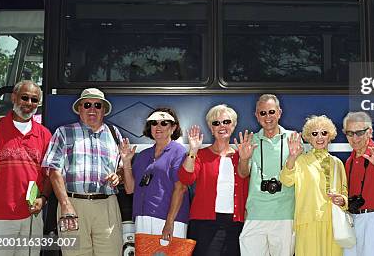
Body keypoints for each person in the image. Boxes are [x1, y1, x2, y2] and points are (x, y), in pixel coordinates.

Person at [42, 88, 123, 255]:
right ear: (79, 108)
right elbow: (53, 170)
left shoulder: (115, 134)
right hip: (73, 205)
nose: (92, 109)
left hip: (107, 206)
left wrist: (118, 176)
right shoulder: (63, 132)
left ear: (104, 110)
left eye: (97, 105)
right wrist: (65, 205)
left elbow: (122, 168)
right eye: (87, 105)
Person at [0, 80, 52, 256]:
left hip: (31, 218)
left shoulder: (45, 134)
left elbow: (49, 175)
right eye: (25, 98)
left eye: (34, 100)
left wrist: (44, 198)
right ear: (13, 97)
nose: (29, 104)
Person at [178, 104, 249, 256]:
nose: (221, 126)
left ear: (234, 125)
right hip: (205, 223)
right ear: (211, 128)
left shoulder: (241, 156)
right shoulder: (201, 155)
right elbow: (186, 178)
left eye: (226, 122)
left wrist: (244, 159)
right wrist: (193, 150)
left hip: (234, 222)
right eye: (216, 123)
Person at [280, 115, 348, 256]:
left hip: (333, 222)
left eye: (324, 133)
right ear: (308, 138)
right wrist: (292, 157)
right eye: (314, 133)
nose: (319, 137)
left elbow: (344, 192)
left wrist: (342, 200)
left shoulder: (337, 163)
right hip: (308, 221)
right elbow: (286, 180)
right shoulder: (300, 160)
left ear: (330, 136)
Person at [237, 94, 295, 256]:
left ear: (279, 112)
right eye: (262, 113)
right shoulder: (250, 140)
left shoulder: (293, 139)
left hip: (285, 215)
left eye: (271, 112)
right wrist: (244, 159)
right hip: (256, 214)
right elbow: (243, 174)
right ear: (256, 116)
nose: (267, 117)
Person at [119, 108, 189, 240]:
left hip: (168, 220)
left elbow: (180, 189)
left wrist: (169, 222)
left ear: (173, 127)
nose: (158, 127)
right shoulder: (143, 155)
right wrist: (127, 162)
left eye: (164, 123)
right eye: (154, 123)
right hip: (142, 218)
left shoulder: (179, 151)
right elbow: (129, 189)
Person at [341, 111, 374, 256]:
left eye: (359, 132)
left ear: (369, 132)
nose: (354, 138)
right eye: (350, 133)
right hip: (353, 219)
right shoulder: (349, 161)